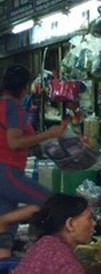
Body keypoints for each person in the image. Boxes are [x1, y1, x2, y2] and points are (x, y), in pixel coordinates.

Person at [0, 65, 68, 259]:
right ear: (24, 87)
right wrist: (50, 133)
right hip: (7, 172)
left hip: (5, 174)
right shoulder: (14, 108)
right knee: (51, 203)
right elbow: (14, 142)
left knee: (5, 234)